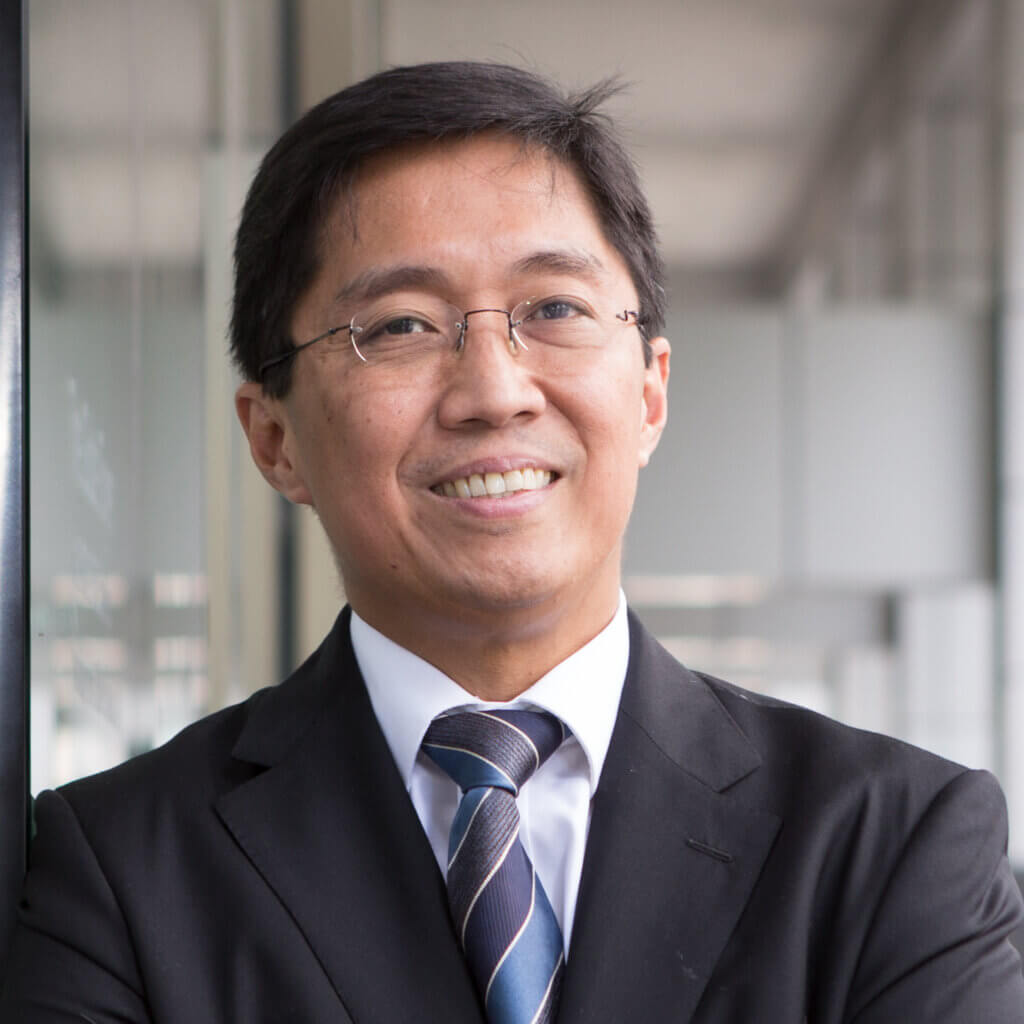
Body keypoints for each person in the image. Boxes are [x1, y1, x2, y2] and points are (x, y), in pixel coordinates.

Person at [2, 61, 1023, 1024]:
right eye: (399, 326)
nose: (494, 391)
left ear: (651, 392)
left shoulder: (891, 842)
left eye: (554, 308)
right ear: (275, 440)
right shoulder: (121, 869)